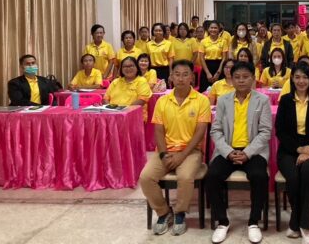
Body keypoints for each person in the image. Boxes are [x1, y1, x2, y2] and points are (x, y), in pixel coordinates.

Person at [139, 60, 211, 236]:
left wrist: (182, 155)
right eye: (177, 74)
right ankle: (164, 213)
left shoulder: (202, 100)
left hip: (191, 151)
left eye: (185, 74)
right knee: (146, 177)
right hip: (166, 151)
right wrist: (164, 155)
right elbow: (158, 131)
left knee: (185, 177)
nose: (181, 78)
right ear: (171, 77)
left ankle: (180, 214)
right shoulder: (162, 101)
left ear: (192, 77)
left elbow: (200, 133)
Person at [207, 62, 272, 244]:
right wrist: (228, 152)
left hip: (253, 151)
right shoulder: (223, 100)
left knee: (259, 176)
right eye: (237, 77)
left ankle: (253, 222)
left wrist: (248, 153)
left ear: (253, 78)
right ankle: (222, 221)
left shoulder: (262, 100)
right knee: (212, 176)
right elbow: (216, 131)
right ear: (231, 79)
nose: (241, 80)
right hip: (228, 150)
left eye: (245, 77)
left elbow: (265, 131)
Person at [275, 62, 309, 244]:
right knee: (293, 176)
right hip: (288, 149)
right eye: (297, 77)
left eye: (305, 77)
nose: (301, 81)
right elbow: (280, 131)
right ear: (292, 79)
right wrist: (298, 149)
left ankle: (304, 226)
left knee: (306, 172)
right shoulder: (285, 100)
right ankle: (298, 220)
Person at [104, 57, 152, 121]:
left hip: (133, 117)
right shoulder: (115, 81)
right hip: (113, 116)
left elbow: (142, 100)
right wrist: (111, 110)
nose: (128, 68)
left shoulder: (142, 81)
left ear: (137, 67)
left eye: (131, 66)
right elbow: (106, 98)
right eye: (125, 66)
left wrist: (123, 111)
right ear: (121, 69)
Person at [198, 20, 228, 92]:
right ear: (208, 29)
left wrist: (218, 72)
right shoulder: (203, 41)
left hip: (219, 67)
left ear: (219, 29)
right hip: (206, 67)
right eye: (211, 28)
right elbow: (201, 58)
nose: (213, 30)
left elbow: (224, 58)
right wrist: (207, 73)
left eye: (215, 28)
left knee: (220, 91)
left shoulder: (223, 41)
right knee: (205, 92)